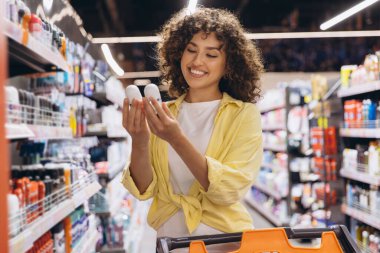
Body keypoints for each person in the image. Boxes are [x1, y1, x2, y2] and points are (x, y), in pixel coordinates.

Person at [121, 6, 263, 251]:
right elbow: (144, 189)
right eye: (191, 50)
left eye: (211, 54)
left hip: (222, 243)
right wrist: (140, 139)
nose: (197, 61)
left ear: (228, 63)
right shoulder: (165, 113)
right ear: (179, 54)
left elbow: (229, 190)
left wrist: (176, 139)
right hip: (170, 241)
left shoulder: (243, 115)